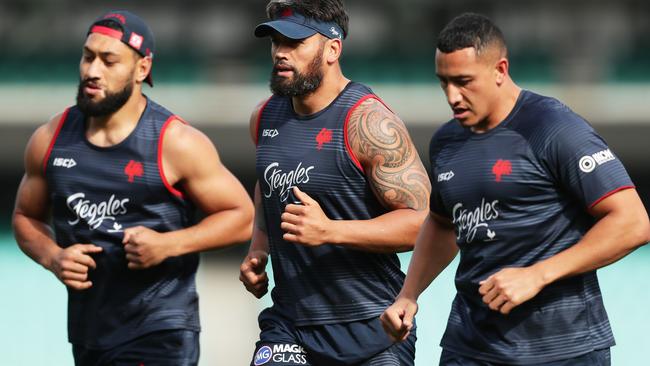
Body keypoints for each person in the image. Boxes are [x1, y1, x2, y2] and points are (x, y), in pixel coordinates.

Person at [380, 12, 650, 366]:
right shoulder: (446, 141)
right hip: (470, 347)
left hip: (562, 348)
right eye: (443, 82)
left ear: (500, 70)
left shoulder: (553, 128)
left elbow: (633, 222)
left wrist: (538, 275)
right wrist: (408, 295)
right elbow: (443, 223)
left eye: (463, 81)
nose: (452, 96)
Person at [12, 10, 254, 366]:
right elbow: (24, 217)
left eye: (109, 61)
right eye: (88, 56)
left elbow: (242, 216)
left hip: (159, 330)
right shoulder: (50, 139)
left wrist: (169, 244)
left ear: (142, 69)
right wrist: (54, 257)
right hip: (88, 333)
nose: (93, 71)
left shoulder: (175, 142)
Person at [238, 1, 431, 365]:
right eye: (276, 42)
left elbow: (421, 223)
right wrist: (258, 246)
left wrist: (330, 231)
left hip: (372, 328)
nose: (280, 52)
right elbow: (268, 185)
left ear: (332, 48)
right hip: (289, 327)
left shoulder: (370, 123)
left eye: (295, 43)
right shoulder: (263, 117)